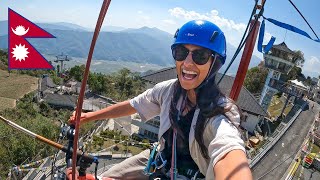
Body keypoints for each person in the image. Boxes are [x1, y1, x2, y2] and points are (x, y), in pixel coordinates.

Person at [68, 19, 253, 180]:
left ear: (215, 63)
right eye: (181, 52)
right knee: (103, 177)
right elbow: (133, 105)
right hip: (158, 160)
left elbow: (228, 148)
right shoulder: (169, 91)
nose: (187, 63)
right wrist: (88, 117)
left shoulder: (220, 112)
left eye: (200, 56)